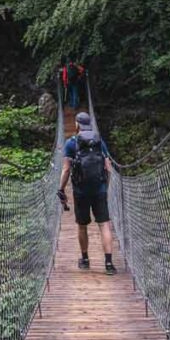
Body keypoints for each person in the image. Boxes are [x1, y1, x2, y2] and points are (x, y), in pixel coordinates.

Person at [57, 111, 116, 274]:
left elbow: (66, 169)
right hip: (100, 189)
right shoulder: (99, 141)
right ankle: (109, 264)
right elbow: (108, 168)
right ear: (89, 124)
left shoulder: (71, 143)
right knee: (104, 225)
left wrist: (61, 189)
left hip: (80, 191)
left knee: (82, 226)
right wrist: (105, 186)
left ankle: (85, 260)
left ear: (76, 124)